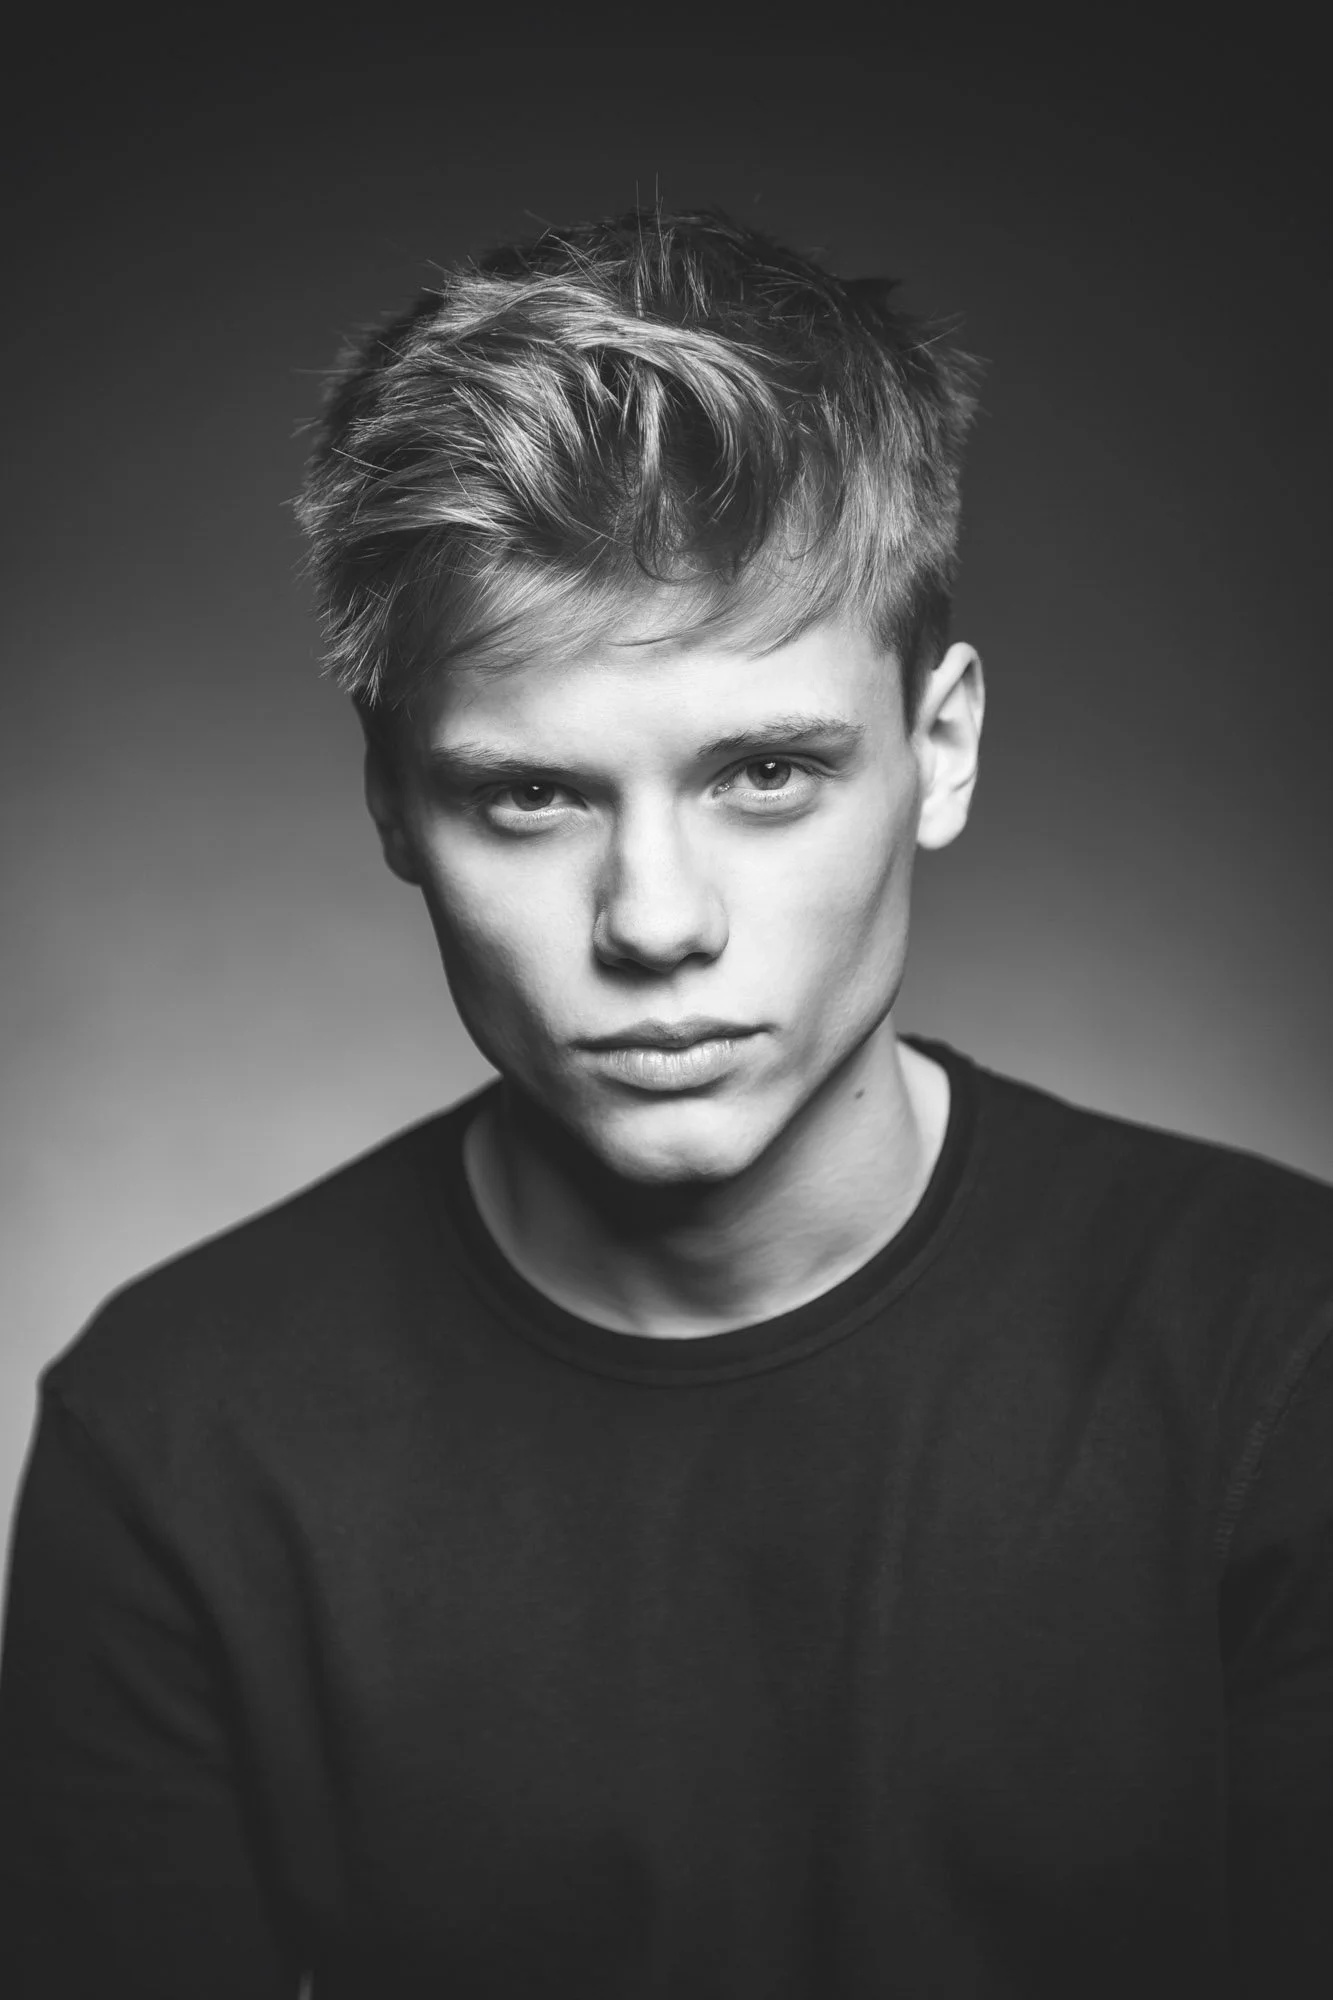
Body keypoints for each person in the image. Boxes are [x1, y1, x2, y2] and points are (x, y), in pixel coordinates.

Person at [1, 205, 1329, 1999]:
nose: (655, 922)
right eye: (530, 797)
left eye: (767, 773)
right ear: (394, 808)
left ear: (939, 752)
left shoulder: (1282, 1354)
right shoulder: (172, 1441)